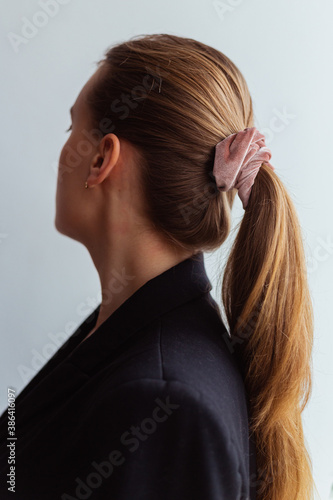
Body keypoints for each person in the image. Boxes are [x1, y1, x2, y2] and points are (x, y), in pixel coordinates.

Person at [0, 33, 315, 499]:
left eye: (73, 130)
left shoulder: (163, 401)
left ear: (102, 159)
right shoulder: (126, 335)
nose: (63, 153)